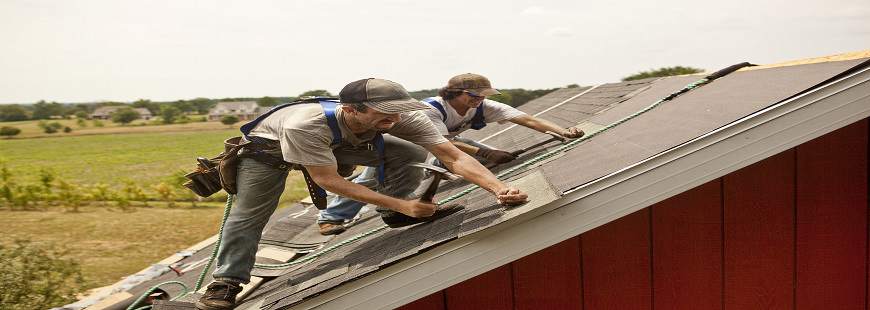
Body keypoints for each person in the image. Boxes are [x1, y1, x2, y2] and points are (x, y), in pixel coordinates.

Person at [196, 78, 528, 310]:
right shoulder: (305, 125)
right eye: (385, 112)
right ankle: (226, 281)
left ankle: (396, 213)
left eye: (399, 110)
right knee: (249, 215)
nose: (395, 118)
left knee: (408, 152)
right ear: (352, 109)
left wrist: (500, 189)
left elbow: (453, 156)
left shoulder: (400, 119)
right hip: (268, 153)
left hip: (340, 143)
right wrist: (406, 203)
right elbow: (329, 181)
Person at [317, 73, 582, 236]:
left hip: (437, 142)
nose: (479, 100)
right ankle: (332, 216)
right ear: (454, 93)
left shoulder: (483, 107)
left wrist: (561, 132)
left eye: (483, 96)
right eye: (474, 95)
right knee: (373, 178)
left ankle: (398, 205)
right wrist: (487, 151)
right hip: (389, 142)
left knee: (456, 153)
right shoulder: (431, 110)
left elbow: (526, 119)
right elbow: (444, 145)